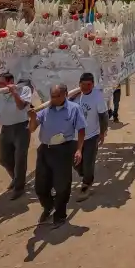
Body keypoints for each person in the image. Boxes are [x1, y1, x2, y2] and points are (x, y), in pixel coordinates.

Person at [27, 83, 86, 228]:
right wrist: (33, 117)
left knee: (62, 185)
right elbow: (32, 128)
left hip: (64, 149)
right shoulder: (45, 109)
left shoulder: (74, 109)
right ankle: (48, 206)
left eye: (56, 96)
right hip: (45, 150)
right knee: (40, 187)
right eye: (51, 96)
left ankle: (60, 215)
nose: (53, 99)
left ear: (65, 94)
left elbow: (81, 129)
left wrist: (79, 150)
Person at [0, 72, 33, 200]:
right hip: (6, 129)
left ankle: (19, 187)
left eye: (2, 84)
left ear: (11, 82)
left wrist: (14, 93)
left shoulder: (24, 89)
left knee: (20, 158)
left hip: (21, 128)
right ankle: (16, 178)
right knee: (4, 159)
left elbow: (21, 106)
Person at [70, 73, 108, 200]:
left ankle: (86, 184)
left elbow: (103, 116)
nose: (86, 87)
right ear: (79, 84)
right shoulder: (74, 96)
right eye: (83, 84)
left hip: (91, 135)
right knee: (75, 163)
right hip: (74, 136)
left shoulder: (97, 96)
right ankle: (84, 174)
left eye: (89, 84)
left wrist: (102, 133)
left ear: (93, 84)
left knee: (88, 162)